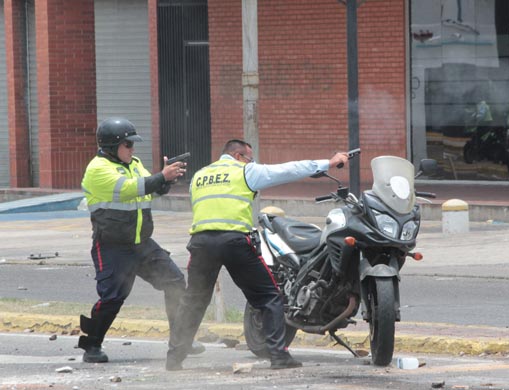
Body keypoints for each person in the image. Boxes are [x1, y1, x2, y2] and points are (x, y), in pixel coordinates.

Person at [166, 139, 349, 371]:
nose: (252, 162)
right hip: (233, 241)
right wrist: (329, 163)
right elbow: (288, 170)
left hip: (201, 244)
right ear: (239, 155)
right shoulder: (245, 171)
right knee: (269, 297)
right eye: (250, 158)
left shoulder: (199, 177)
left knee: (193, 301)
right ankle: (279, 356)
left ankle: (174, 358)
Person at [79, 117, 205, 363]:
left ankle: (180, 341)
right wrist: (160, 177)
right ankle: (92, 345)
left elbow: (152, 188)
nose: (132, 149)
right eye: (128, 144)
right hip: (113, 246)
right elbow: (131, 188)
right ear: (111, 146)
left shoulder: (134, 163)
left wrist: (166, 180)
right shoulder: (97, 169)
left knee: (175, 282)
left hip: (142, 243)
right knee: (112, 298)